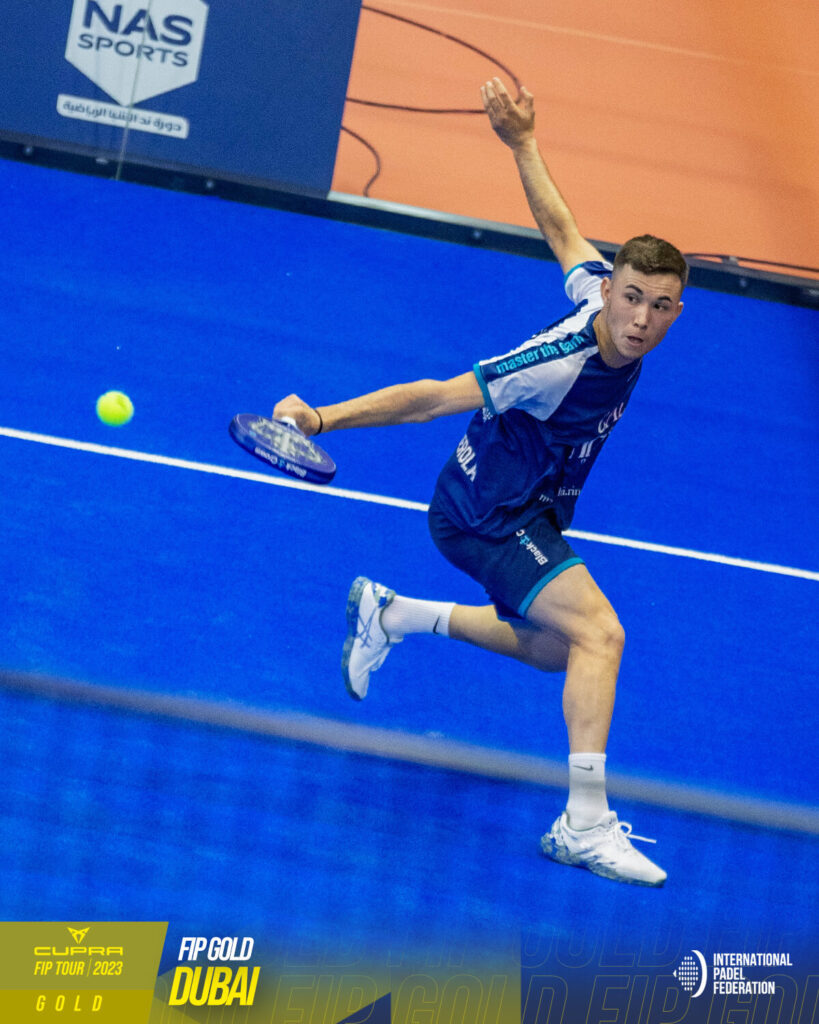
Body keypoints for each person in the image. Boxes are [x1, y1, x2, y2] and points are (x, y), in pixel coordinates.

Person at [273, 77, 687, 887]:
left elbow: (561, 231)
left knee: (554, 650)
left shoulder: (599, 293)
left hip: (524, 506)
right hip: (485, 515)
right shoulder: (556, 363)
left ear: (676, 310)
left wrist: (522, 141)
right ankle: (583, 824)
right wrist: (319, 418)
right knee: (600, 636)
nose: (641, 319)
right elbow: (431, 398)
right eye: (632, 299)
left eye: (660, 306)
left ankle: (393, 614)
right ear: (610, 293)